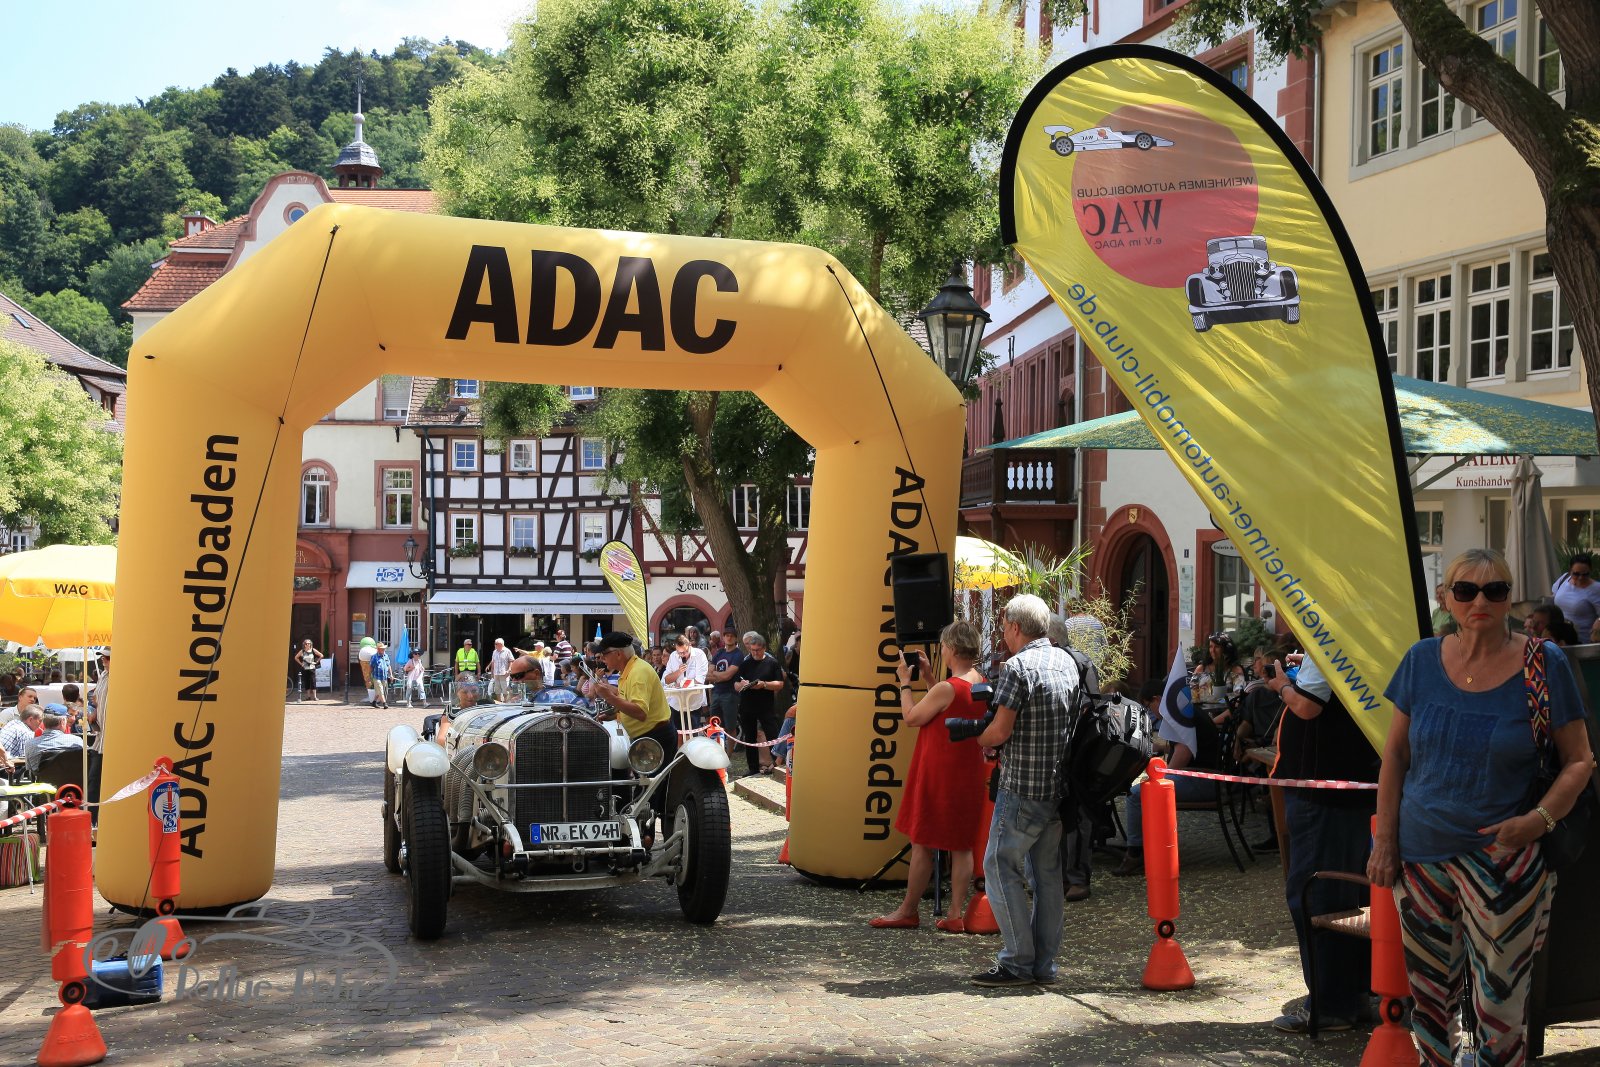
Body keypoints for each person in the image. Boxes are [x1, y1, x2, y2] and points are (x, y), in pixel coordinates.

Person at [1371, 548, 1597, 1065]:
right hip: (1421, 857)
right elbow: (1396, 756)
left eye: (1495, 590)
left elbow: (1580, 760)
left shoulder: (1544, 663)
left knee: (1499, 1010)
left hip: (1504, 863)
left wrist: (1536, 822)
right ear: (1445, 598)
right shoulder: (1421, 660)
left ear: (1509, 598)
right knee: (1429, 1006)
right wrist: (1385, 841)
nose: (1480, 601)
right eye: (1466, 590)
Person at [1255, 646, 1381, 1035]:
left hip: (1324, 791)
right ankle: (1353, 996)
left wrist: (1280, 686)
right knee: (1349, 897)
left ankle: (1331, 1005)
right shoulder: (1352, 639)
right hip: (1350, 787)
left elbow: (1308, 705)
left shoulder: (1330, 639)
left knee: (1317, 895)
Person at [960, 593, 1077, 988]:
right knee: (1047, 877)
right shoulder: (1066, 661)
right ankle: (1043, 965)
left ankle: (1016, 962)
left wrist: (979, 739)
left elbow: (999, 731)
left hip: (1021, 787)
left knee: (998, 866)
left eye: (1004, 626)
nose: (1003, 633)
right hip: (1055, 787)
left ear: (1014, 627)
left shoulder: (1018, 667)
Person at [869, 621, 986, 932]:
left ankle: (907, 910)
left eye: (944, 645)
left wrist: (905, 683)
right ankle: (955, 914)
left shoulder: (947, 688)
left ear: (952, 649)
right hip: (967, 771)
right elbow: (949, 705)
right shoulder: (979, 681)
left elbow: (912, 717)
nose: (942, 650)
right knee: (961, 845)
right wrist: (929, 678)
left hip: (939, 772)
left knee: (922, 841)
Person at [1114, 667, 1221, 877]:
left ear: (1157, 699)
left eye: (1149, 707)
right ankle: (1151, 844)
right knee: (1144, 787)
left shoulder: (1179, 716)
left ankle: (1136, 852)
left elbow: (1183, 754)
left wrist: (1161, 779)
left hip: (1204, 781)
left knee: (1135, 795)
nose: (1152, 713)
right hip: (1206, 777)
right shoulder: (1185, 710)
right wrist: (1158, 748)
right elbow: (1181, 748)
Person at [586, 632, 677, 763]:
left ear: (618, 654)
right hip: (648, 737)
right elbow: (628, 700)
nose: (601, 658)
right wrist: (614, 715)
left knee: (654, 778)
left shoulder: (638, 672)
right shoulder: (629, 670)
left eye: (604, 654)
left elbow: (640, 712)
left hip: (654, 738)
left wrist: (609, 697)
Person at [733, 632, 786, 777]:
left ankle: (777, 765)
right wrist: (741, 685)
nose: (755, 653)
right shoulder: (745, 663)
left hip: (765, 706)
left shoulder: (772, 663)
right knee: (750, 737)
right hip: (747, 706)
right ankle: (753, 768)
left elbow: (780, 683)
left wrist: (764, 684)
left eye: (757, 650)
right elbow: (736, 684)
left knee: (772, 734)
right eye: (752, 650)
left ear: (764, 648)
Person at [706, 629, 745, 748]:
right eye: (727, 635)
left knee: (730, 727)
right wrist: (720, 676)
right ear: (723, 638)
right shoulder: (719, 653)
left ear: (736, 638)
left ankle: (729, 754)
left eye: (732, 636)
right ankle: (718, 751)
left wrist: (716, 675)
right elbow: (708, 674)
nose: (729, 638)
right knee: (715, 724)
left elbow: (728, 676)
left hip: (730, 694)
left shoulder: (738, 654)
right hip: (716, 693)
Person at [1551, 553, 1600, 644]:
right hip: (1559, 640)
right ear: (1570, 571)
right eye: (1576, 574)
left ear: (1590, 571)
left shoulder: (1596, 589)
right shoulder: (1564, 579)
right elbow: (1553, 597)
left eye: (1585, 574)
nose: (1580, 578)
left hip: (1582, 641)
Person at [663, 634, 708, 730]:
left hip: (693, 703)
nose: (682, 655)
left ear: (690, 645)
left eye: (685, 652)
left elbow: (699, 681)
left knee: (692, 733)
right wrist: (678, 672)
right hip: (676, 703)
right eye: (679, 652)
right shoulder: (673, 656)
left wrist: (681, 684)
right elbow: (666, 679)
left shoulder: (699, 655)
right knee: (678, 734)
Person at [25, 709, 83, 776]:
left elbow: (29, 769)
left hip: (43, 782)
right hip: (72, 780)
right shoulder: (76, 741)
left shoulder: (30, 744)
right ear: (62, 722)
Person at [370, 643, 392, 708]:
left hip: (384, 677)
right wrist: (370, 676)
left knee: (379, 691)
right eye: (382, 649)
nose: (383, 650)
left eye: (384, 648)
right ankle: (384, 703)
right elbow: (371, 667)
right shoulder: (374, 657)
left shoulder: (386, 656)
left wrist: (391, 674)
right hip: (376, 676)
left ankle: (374, 702)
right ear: (378, 649)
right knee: (380, 690)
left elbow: (388, 665)